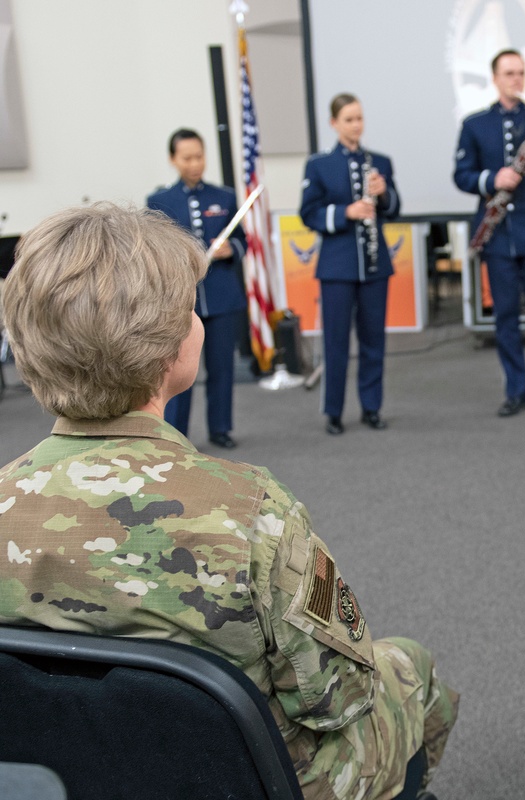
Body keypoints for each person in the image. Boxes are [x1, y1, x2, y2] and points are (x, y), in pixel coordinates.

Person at [0, 203, 459, 800]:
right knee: (410, 666)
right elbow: (335, 699)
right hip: (245, 782)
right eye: (191, 307)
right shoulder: (250, 513)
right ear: (167, 346)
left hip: (58, 777)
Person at [454, 49, 525, 417]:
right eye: (509, 73)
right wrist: (491, 179)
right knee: (505, 315)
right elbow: (461, 176)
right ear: (495, 78)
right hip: (498, 239)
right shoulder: (474, 124)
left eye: (520, 73)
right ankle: (515, 390)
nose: (516, 79)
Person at [300, 93, 401, 435]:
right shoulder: (319, 165)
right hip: (337, 268)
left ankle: (372, 407)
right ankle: (334, 412)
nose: (356, 125)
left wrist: (384, 193)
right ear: (334, 123)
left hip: (375, 266)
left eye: (359, 118)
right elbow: (308, 213)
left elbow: (394, 208)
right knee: (337, 342)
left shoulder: (381, 162)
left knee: (374, 340)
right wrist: (346, 212)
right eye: (348, 119)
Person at [147, 128, 246, 450]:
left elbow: (243, 241)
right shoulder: (159, 201)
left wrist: (231, 248)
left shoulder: (225, 197)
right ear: (173, 160)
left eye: (199, 156)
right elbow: (154, 250)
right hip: (180, 304)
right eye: (187, 158)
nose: (195, 164)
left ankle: (221, 428)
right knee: (176, 373)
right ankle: (176, 436)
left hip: (221, 297)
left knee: (221, 367)